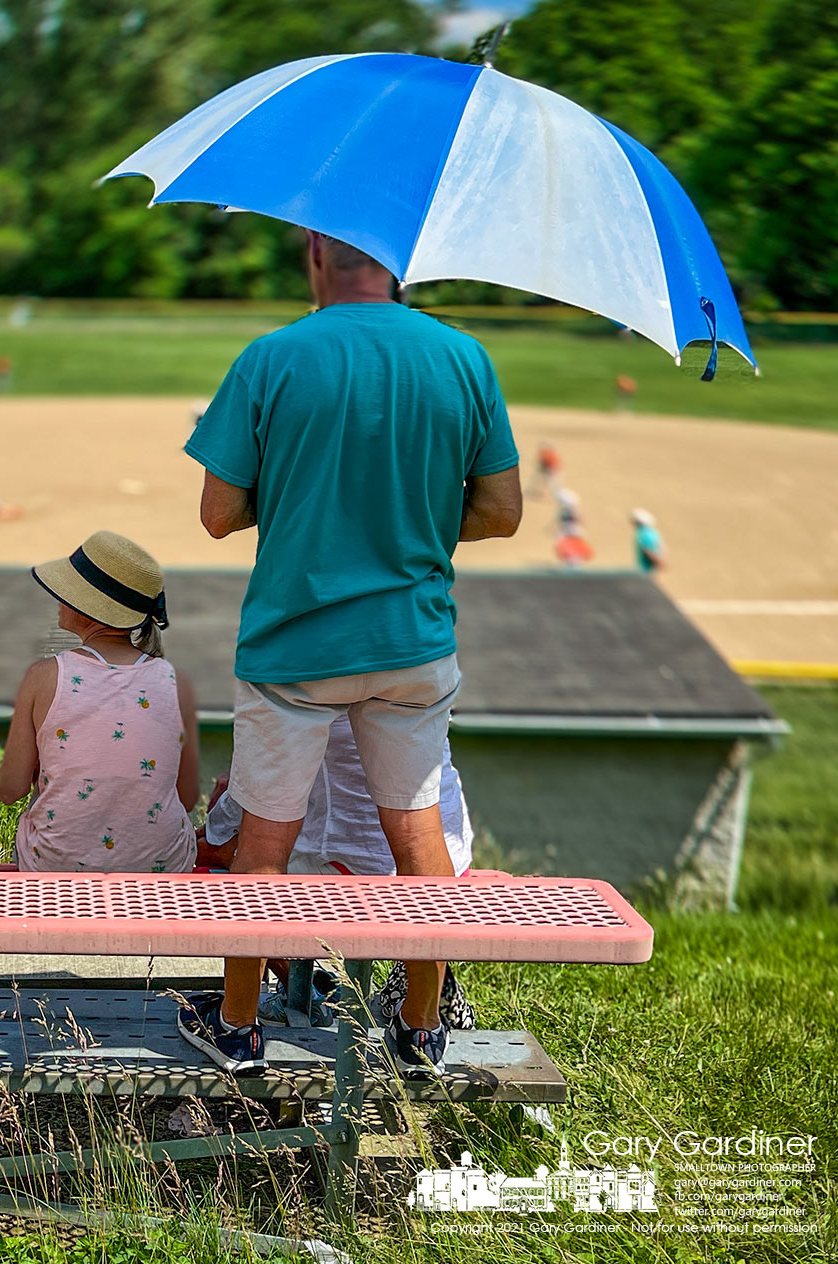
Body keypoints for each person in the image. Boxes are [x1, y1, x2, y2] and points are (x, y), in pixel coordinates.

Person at [184, 230, 521, 1080]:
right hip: (413, 642)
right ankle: (417, 1029)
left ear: (312, 255)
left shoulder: (272, 356)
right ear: (401, 264)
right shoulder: (465, 355)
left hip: (296, 647)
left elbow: (218, 515)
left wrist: (306, 503)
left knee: (264, 843)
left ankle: (236, 1028)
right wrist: (406, 523)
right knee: (417, 834)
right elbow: (504, 512)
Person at [192, 716, 478, 1031]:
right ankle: (421, 1021)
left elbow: (263, 786)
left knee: (222, 867)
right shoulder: (420, 670)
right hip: (447, 859)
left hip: (354, 870)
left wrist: (215, 830)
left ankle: (237, 1022)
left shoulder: (306, 676)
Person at [0, 531, 199, 873]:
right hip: (161, 864)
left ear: (89, 610)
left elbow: (9, 790)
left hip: (57, 864)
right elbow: (188, 795)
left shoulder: (43, 676)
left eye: (67, 592)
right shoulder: (178, 683)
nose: (58, 598)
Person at [632, 508, 667, 575]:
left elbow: (648, 550)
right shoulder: (654, 533)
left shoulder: (644, 533)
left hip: (645, 571)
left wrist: (658, 561)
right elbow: (661, 546)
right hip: (650, 570)